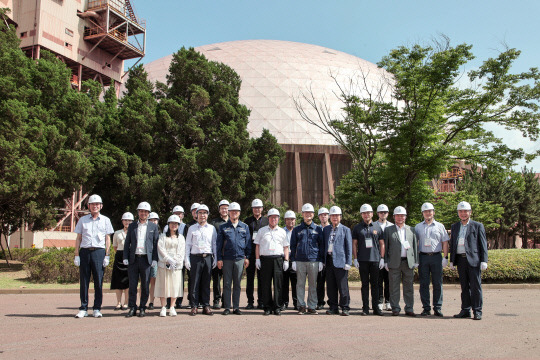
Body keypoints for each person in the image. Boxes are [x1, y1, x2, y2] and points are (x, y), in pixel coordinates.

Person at [73, 194, 114, 318]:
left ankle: (97, 308)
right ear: (89, 206)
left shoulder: (106, 220)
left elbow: (108, 239)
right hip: (85, 252)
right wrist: (76, 255)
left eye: (97, 204)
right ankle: (83, 308)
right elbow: (78, 238)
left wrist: (107, 255)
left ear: (101, 206)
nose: (95, 206)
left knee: (98, 281)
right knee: (84, 281)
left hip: (99, 252)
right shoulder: (82, 220)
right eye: (92, 204)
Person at [450, 201, 488, 320]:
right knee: (464, 286)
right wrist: (452, 260)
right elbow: (453, 244)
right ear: (458, 213)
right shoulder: (455, 226)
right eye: (461, 211)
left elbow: (483, 244)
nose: (463, 214)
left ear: (470, 212)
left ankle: (477, 310)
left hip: (474, 260)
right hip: (460, 260)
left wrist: (484, 260)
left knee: (476, 286)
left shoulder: (477, 226)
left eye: (465, 211)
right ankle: (465, 310)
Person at [123, 201, 159, 318]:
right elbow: (127, 242)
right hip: (134, 259)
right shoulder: (132, 226)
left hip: (146, 260)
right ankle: (132, 307)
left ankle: (142, 307)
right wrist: (125, 257)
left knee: (145, 285)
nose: (143, 213)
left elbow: (155, 244)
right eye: (141, 211)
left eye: (145, 212)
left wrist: (155, 259)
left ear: (148, 213)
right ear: (138, 212)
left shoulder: (153, 227)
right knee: (132, 284)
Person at [415, 202, 449, 317]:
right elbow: (415, 243)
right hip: (423, 257)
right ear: (422, 213)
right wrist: (415, 258)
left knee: (437, 283)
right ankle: (426, 308)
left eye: (429, 211)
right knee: (424, 283)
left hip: (436, 257)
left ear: (433, 212)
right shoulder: (418, 227)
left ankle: (437, 307)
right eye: (425, 211)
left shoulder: (440, 226)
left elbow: (445, 242)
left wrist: (445, 257)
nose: (428, 213)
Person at [216, 202, 251, 315]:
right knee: (226, 283)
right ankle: (227, 307)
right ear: (229, 213)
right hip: (227, 259)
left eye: (236, 211)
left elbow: (248, 244)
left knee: (237, 284)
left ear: (239, 213)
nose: (234, 213)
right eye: (232, 211)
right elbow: (219, 245)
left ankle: (236, 307)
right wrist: (219, 259)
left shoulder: (244, 227)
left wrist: (247, 257)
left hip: (240, 259)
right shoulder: (223, 227)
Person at [384, 206, 418, 317]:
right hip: (394, 263)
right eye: (398, 215)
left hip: (408, 262)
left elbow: (414, 247)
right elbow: (386, 246)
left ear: (405, 217)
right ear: (394, 217)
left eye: (402, 215)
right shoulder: (389, 230)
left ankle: (409, 308)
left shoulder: (411, 230)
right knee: (394, 287)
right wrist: (385, 261)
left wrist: (415, 261)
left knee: (409, 287)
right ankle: (395, 308)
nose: (400, 217)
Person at [290, 203, 324, 315]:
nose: (308, 214)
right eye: (305, 212)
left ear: (313, 214)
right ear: (302, 214)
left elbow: (322, 246)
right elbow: (293, 246)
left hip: (314, 260)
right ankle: (301, 306)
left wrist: (321, 261)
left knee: (313, 284)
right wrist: (293, 260)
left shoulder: (318, 229)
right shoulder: (297, 229)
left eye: (310, 213)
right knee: (300, 284)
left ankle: (312, 306)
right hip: (300, 260)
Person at [255, 208, 290, 315]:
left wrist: (286, 260)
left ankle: (277, 307)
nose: (273, 219)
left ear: (278, 219)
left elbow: (286, 247)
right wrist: (257, 259)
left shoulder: (282, 231)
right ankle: (267, 307)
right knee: (265, 284)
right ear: (268, 218)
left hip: (278, 260)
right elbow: (257, 246)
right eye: (271, 217)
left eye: (275, 217)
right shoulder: (262, 231)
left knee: (278, 284)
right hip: (265, 260)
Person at [185, 204, 217, 316]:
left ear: (207, 215)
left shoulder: (212, 229)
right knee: (194, 282)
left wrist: (215, 258)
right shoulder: (191, 228)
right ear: (196, 215)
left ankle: (206, 305)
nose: (202, 215)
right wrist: (187, 259)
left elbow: (214, 244)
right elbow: (188, 244)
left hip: (207, 257)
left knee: (206, 282)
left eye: (204, 213)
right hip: (195, 258)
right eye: (200, 213)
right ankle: (194, 306)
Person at [352, 204, 385, 316]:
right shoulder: (357, 228)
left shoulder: (377, 227)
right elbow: (354, 244)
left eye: (368, 213)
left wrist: (382, 258)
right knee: (365, 285)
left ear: (372, 214)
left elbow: (382, 244)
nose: (366, 215)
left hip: (375, 260)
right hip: (363, 260)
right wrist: (355, 258)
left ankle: (376, 308)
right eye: (364, 213)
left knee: (375, 284)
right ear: (361, 215)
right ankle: (365, 308)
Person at [323, 206, 352, 316]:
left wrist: (348, 262)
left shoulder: (345, 230)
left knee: (343, 286)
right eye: (333, 215)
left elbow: (348, 247)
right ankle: (333, 307)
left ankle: (345, 307)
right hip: (329, 261)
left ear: (340, 217)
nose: (335, 217)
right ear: (330, 217)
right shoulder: (326, 229)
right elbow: (324, 245)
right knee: (330, 286)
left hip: (341, 261)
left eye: (337, 215)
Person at [155, 215, 185, 317]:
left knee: (174, 286)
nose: (173, 225)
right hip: (164, 264)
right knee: (163, 285)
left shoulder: (181, 237)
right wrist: (168, 259)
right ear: (168, 224)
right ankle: (163, 307)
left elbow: (181, 251)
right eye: (172, 223)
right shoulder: (162, 236)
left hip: (176, 266)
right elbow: (161, 249)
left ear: (178, 225)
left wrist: (174, 261)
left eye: (176, 223)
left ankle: (172, 307)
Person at [244, 199, 268, 309]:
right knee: (249, 279)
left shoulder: (267, 221)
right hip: (250, 254)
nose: (257, 209)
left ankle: (261, 301)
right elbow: (244, 239)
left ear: (262, 209)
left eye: (259, 208)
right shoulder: (247, 221)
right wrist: (245, 256)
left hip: (262, 254)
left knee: (261, 279)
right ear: (252, 209)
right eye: (255, 208)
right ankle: (250, 301)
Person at [165, 205, 188, 310]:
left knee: (179, 280)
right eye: (176, 213)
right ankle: (168, 302)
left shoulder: (185, 226)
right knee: (168, 280)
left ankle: (178, 301)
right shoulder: (167, 227)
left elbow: (185, 243)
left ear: (182, 215)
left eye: (180, 213)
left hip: (180, 258)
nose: (178, 215)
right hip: (168, 259)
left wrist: (182, 258)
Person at [110, 212, 133, 311]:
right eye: (125, 220)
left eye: (129, 220)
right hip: (119, 256)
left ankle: (126, 302)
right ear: (122, 221)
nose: (127, 222)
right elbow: (115, 246)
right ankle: (118, 302)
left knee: (128, 281)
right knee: (118, 281)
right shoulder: (117, 233)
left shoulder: (134, 232)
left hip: (130, 257)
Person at [210, 199, 229, 309]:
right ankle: (216, 300)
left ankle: (226, 300)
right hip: (217, 255)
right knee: (216, 279)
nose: (224, 210)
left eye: (226, 208)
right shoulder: (214, 222)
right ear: (219, 210)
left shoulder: (232, 221)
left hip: (229, 256)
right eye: (222, 208)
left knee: (227, 279)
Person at [376, 204, 393, 311]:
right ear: (378, 213)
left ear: (388, 214)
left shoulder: (392, 226)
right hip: (377, 257)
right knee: (378, 280)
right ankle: (379, 301)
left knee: (389, 281)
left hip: (390, 257)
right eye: (381, 212)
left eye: (385, 212)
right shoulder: (373, 225)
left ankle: (388, 301)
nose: (383, 214)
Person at [282, 210, 298, 310]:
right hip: (284, 259)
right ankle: (284, 302)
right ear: (285, 220)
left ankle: (296, 303)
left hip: (295, 258)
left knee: (295, 282)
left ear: (295, 220)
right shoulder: (281, 231)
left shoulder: (297, 231)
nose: (290, 221)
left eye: (292, 219)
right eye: (288, 219)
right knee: (284, 282)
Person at [316, 207, 329, 310]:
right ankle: (320, 302)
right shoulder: (317, 229)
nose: (323, 216)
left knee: (331, 283)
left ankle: (332, 301)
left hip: (330, 259)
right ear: (319, 217)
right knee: (320, 282)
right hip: (319, 259)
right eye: (321, 215)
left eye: (325, 214)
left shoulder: (332, 227)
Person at [147, 212, 160, 310]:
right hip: (144, 258)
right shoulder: (144, 230)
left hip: (155, 260)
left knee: (153, 281)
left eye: (155, 220)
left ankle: (151, 301)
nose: (153, 222)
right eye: (151, 220)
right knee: (144, 282)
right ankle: (142, 301)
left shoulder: (161, 233)